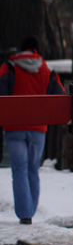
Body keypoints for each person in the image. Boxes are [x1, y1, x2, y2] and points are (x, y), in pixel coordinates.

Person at [0, 36, 66, 224]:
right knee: (32, 169)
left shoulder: (8, 67)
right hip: (38, 128)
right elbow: (60, 96)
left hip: (14, 128)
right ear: (36, 51)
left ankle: (25, 214)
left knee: (19, 170)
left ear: (21, 50)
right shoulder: (47, 70)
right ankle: (31, 210)